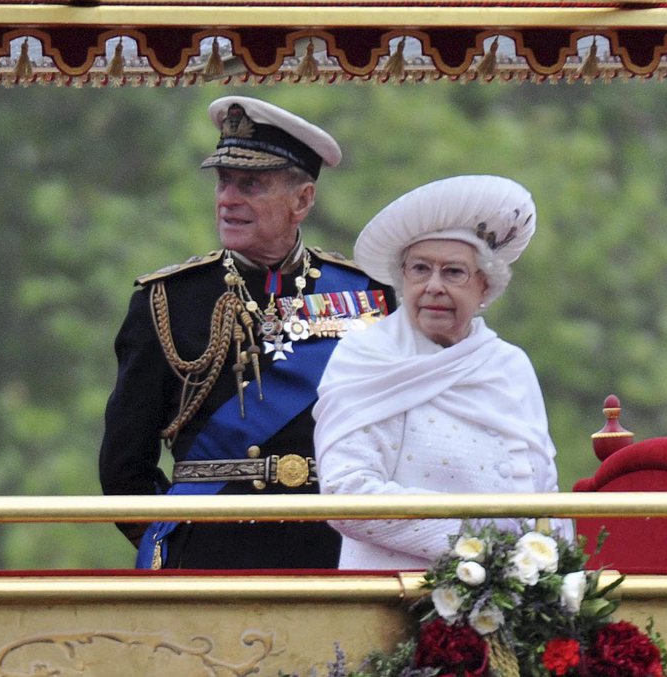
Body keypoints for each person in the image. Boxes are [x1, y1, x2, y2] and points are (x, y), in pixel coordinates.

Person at [100, 96, 395, 570]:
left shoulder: (368, 294)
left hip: (337, 549)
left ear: (303, 199)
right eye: (224, 181)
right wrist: (170, 539)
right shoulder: (168, 299)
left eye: (252, 185)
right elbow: (123, 466)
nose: (228, 199)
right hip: (210, 554)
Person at [313, 175, 571, 569]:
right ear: (402, 280)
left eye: (453, 273)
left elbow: (544, 493)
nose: (434, 286)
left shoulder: (510, 364)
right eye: (420, 270)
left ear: (485, 287)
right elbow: (347, 494)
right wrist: (480, 546)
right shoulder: (367, 356)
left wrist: (550, 568)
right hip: (390, 597)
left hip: (511, 597)